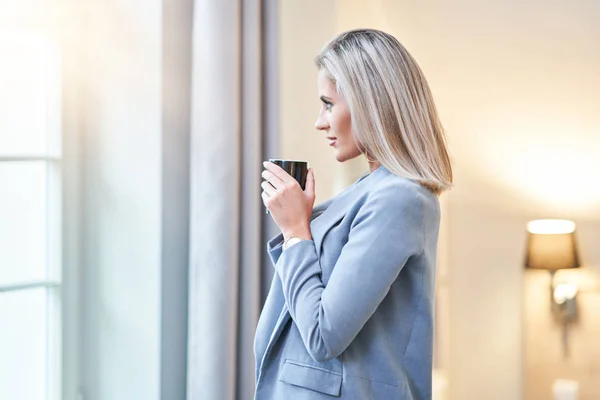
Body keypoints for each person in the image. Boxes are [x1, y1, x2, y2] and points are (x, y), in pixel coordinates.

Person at [255, 28, 452, 400]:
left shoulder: (400, 199)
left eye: (328, 104)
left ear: (370, 103)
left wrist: (296, 230)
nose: (320, 121)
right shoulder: (370, 189)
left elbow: (323, 333)